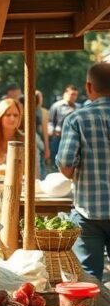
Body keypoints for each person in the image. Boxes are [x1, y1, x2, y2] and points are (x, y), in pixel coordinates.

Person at [57, 64, 110, 279]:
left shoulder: (76, 119)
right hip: (90, 213)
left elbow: (65, 163)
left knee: (88, 277)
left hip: (89, 212)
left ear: (89, 87)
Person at [20, 91, 51, 177]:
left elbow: (44, 132)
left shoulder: (40, 113)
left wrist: (46, 148)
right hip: (25, 142)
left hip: (37, 143)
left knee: (39, 168)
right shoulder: (21, 112)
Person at [48, 84, 80, 162]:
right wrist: (52, 132)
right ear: (65, 94)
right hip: (58, 137)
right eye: (72, 94)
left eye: (75, 95)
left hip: (74, 138)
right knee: (56, 160)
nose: (73, 97)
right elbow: (50, 121)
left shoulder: (79, 107)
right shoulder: (56, 106)